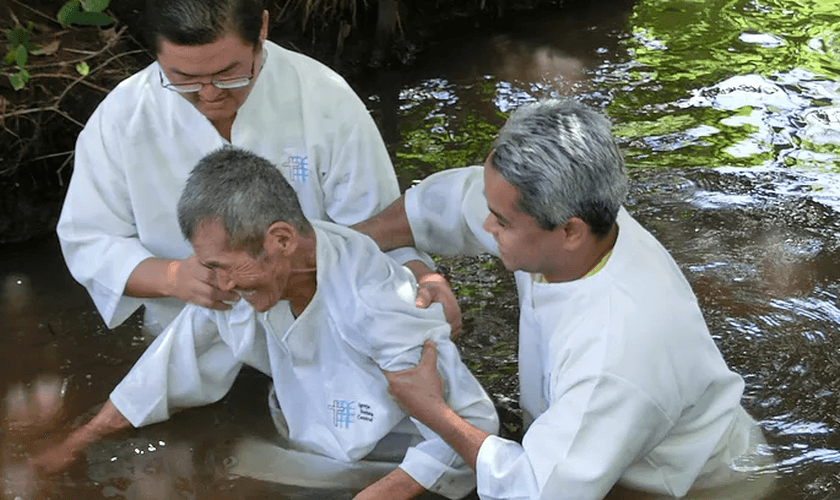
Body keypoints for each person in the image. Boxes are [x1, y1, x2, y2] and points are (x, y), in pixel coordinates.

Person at [355, 99, 775, 499]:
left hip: (694, 488)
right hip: (602, 452)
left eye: (500, 221)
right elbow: (443, 205)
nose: (487, 224)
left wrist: (434, 411)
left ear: (570, 232)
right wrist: (343, 245)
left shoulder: (615, 350)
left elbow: (537, 491)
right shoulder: (567, 220)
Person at [37, 147, 499, 500]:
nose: (214, 282)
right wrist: (77, 441)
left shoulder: (379, 302)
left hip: (391, 467)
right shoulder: (245, 277)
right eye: (208, 265)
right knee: (214, 463)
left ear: (280, 239)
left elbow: (477, 423)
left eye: (222, 266)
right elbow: (169, 367)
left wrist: (382, 493)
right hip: (307, 448)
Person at [56, 0, 458, 337]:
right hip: (188, 333)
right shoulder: (123, 118)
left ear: (262, 29)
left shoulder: (323, 97)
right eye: (183, 79)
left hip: (320, 324)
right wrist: (172, 276)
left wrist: (418, 276)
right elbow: (89, 239)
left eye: (228, 74)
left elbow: (378, 225)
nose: (209, 95)